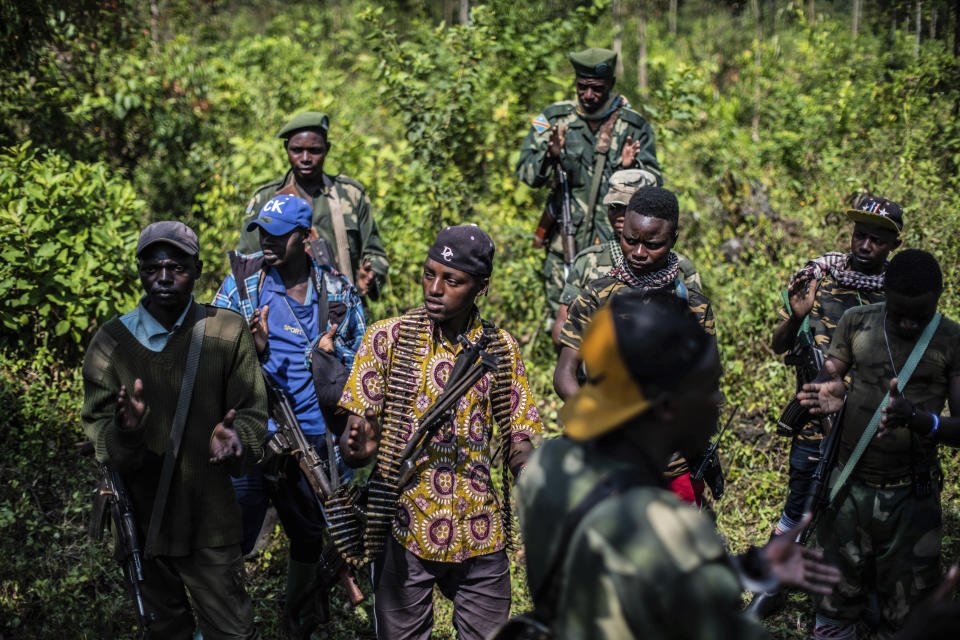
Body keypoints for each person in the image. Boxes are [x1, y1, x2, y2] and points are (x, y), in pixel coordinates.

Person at [515, 292, 840, 639]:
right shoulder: (665, 523)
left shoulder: (551, 466)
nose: (717, 400)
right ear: (668, 406)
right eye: (706, 387)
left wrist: (750, 566)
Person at [337, 225, 543, 640]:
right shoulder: (388, 338)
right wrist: (359, 448)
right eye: (429, 274)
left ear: (480, 287)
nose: (435, 288)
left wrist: (531, 473)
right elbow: (355, 441)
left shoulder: (498, 348)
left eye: (452, 281)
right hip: (403, 523)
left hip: (480, 529)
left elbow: (518, 432)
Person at [81, 221, 267, 639]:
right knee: (164, 630)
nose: (163, 277)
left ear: (198, 269)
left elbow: (253, 412)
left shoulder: (226, 330)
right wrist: (126, 431)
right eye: (153, 267)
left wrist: (237, 441)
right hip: (143, 525)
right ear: (140, 270)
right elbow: (101, 438)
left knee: (233, 631)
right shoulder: (111, 343)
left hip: (211, 522)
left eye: (177, 266)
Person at [213, 194, 366, 633]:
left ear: (305, 238)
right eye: (263, 233)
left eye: (279, 236)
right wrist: (252, 349)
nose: (268, 243)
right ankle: (224, 623)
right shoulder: (245, 287)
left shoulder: (335, 288)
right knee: (231, 536)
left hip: (317, 442)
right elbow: (213, 358)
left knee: (309, 537)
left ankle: (301, 619)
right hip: (256, 433)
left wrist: (334, 355)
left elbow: (365, 357)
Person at [748, 195, 904, 617]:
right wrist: (796, 316)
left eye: (876, 239)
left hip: (864, 427)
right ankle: (771, 585)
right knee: (797, 505)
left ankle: (857, 594)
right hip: (813, 421)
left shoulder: (897, 296)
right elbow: (779, 345)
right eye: (860, 235)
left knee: (860, 516)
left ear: (892, 244)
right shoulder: (818, 277)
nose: (864, 244)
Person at [798, 249, 960, 639]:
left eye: (918, 315)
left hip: (911, 494)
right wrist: (829, 389)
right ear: (885, 291)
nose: (907, 322)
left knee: (908, 610)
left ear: (938, 297)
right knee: (834, 597)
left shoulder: (951, 340)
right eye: (898, 310)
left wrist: (922, 421)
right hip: (847, 486)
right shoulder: (857, 322)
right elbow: (832, 371)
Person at [555, 185, 714, 504]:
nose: (638, 253)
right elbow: (564, 374)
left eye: (652, 245)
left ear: (673, 240)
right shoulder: (597, 296)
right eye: (630, 240)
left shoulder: (693, 307)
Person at [516, 47, 661, 318]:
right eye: (582, 87)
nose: (589, 95)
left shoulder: (634, 126)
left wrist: (631, 171)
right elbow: (524, 171)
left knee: (613, 323)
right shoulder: (551, 119)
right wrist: (549, 156)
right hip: (564, 243)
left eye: (597, 88)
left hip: (615, 248)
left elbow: (655, 184)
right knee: (562, 323)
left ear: (611, 85)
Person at [238, 112, 389, 300]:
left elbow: (375, 254)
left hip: (343, 307)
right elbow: (247, 263)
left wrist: (371, 275)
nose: (305, 158)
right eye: (296, 150)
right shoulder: (266, 199)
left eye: (315, 150)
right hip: (282, 309)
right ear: (286, 148)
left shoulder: (351, 195)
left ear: (327, 148)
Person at [550, 168, 701, 345]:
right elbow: (561, 329)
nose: (620, 215)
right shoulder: (589, 261)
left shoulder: (680, 269)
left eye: (629, 207)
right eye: (614, 207)